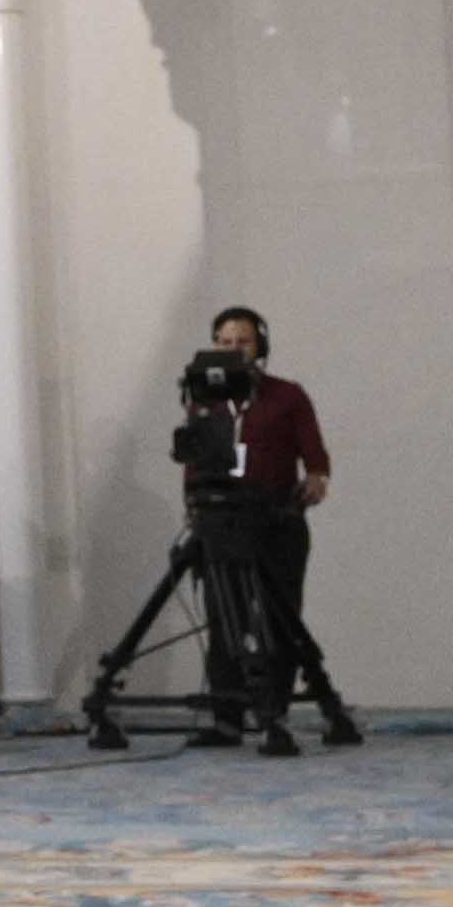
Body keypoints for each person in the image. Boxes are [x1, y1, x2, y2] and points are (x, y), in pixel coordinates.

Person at [173, 305, 338, 754]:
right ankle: (226, 720)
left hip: (276, 520)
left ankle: (274, 713)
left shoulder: (287, 395)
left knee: (277, 619)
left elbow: (314, 453)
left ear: (260, 344)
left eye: (242, 340)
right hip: (221, 522)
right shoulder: (204, 399)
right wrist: (193, 504)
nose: (233, 349)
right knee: (226, 620)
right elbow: (194, 459)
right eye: (224, 342)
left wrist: (317, 478)